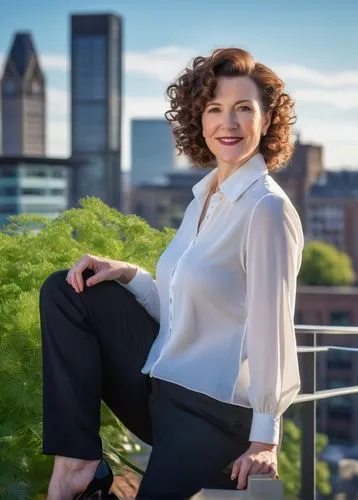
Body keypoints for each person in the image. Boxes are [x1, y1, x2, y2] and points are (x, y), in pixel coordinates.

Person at [40, 47, 304, 500]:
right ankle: (78, 462)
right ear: (198, 119)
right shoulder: (204, 198)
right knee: (66, 290)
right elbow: (182, 308)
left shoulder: (267, 209)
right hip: (159, 386)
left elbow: (271, 329)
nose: (230, 123)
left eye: (245, 109)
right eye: (215, 109)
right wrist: (127, 274)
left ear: (267, 120)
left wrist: (266, 439)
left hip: (212, 414)